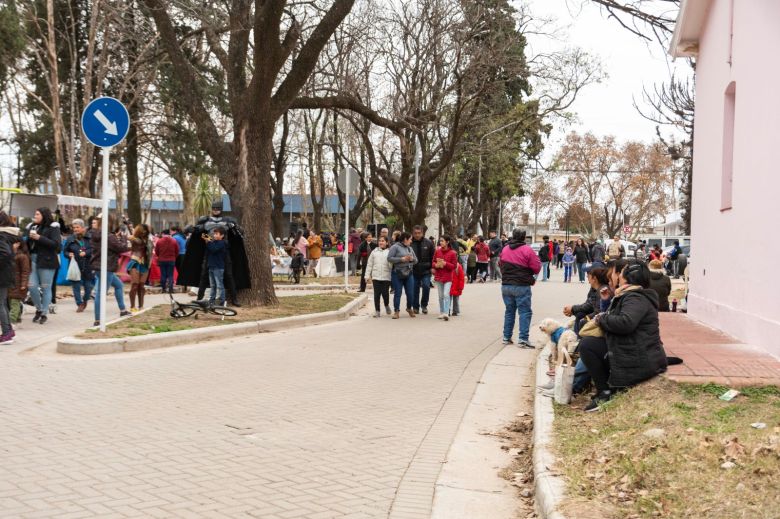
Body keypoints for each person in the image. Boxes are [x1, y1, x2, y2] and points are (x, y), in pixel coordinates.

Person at [579, 262, 668, 412]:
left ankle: (606, 392)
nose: (616, 276)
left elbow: (626, 323)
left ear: (627, 278)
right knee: (590, 344)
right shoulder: (631, 295)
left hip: (638, 356)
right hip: (635, 348)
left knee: (588, 345)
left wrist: (601, 319)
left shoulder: (635, 298)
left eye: (619, 273)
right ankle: (603, 387)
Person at [180, 200, 248, 307]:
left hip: (224, 252)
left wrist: (234, 227)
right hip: (210, 252)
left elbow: (239, 233)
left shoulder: (228, 220)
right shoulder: (205, 221)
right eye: (214, 208)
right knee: (204, 276)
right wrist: (193, 230)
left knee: (229, 275)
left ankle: (234, 299)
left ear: (221, 209)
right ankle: (199, 298)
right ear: (211, 208)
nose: (216, 210)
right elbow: (199, 233)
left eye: (218, 208)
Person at [499, 229, 541, 347]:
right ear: (524, 238)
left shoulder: (505, 248)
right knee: (525, 312)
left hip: (506, 285)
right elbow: (536, 268)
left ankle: (506, 337)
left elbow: (500, 264)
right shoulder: (527, 250)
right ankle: (523, 339)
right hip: (521, 285)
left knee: (509, 311)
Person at [91, 214, 131, 327]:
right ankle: (98, 320)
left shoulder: (96, 234)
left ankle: (123, 310)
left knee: (118, 285)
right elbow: (121, 248)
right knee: (101, 293)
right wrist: (123, 238)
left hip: (99, 266)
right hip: (107, 267)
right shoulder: (109, 236)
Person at [26, 207, 61, 325]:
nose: (35, 216)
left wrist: (39, 238)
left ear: (44, 215)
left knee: (46, 287)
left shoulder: (53, 227)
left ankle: (44, 313)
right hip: (34, 260)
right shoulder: (32, 226)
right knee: (31, 286)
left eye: (37, 214)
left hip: (47, 261)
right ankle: (39, 308)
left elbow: (56, 245)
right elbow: (28, 244)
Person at [63, 219, 95, 312]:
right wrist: (68, 254)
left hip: (87, 265)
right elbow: (65, 251)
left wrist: (86, 253)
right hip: (75, 266)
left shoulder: (89, 238)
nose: (75, 229)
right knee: (76, 286)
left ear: (83, 228)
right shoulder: (70, 239)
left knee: (88, 287)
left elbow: (93, 250)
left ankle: (85, 300)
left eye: (77, 227)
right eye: (74, 227)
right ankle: (79, 303)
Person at [387, 232, 417, 319]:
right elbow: (389, 258)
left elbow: (416, 260)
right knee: (398, 293)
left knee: (410, 293)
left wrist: (411, 259)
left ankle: (409, 308)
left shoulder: (410, 248)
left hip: (409, 273)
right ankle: (396, 311)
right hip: (397, 273)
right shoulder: (395, 247)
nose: (411, 241)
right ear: (405, 239)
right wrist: (401, 259)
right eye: (410, 239)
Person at [0, 213, 19, 343]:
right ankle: (8, 331)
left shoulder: (1, 236)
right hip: (5, 273)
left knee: (0, 304)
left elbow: (5, 254)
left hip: (2, 274)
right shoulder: (6, 235)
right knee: (2, 303)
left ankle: (7, 333)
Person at [127, 224, 153, 312]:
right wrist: (130, 229)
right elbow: (134, 240)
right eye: (144, 230)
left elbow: (149, 251)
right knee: (135, 284)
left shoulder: (149, 241)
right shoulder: (134, 239)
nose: (145, 232)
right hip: (135, 262)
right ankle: (132, 306)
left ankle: (141, 306)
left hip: (145, 264)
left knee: (141, 286)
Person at [364, 235, 392, 317]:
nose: (381, 242)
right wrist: (367, 276)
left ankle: (386, 305)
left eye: (383, 241)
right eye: (380, 241)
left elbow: (392, 265)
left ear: (387, 243)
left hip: (386, 277)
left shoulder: (389, 252)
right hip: (376, 276)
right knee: (377, 294)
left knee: (385, 294)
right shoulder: (374, 252)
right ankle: (377, 311)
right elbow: (369, 264)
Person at [431, 235, 457, 321]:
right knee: (440, 296)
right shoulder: (437, 251)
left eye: (442, 241)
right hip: (439, 276)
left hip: (448, 277)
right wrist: (436, 265)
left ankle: (446, 312)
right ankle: (442, 312)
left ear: (447, 242)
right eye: (440, 241)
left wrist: (445, 263)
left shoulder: (453, 253)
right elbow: (433, 262)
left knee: (446, 294)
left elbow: (454, 266)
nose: (441, 242)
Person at [411, 225, 435, 314]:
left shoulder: (429, 243)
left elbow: (433, 256)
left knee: (426, 286)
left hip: (426, 270)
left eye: (419, 233)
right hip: (413, 270)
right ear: (413, 233)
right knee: (414, 289)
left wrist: (432, 267)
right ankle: (415, 307)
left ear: (422, 233)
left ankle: (424, 305)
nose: (417, 235)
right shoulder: (410, 243)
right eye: (415, 233)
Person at [202, 227, 228, 306]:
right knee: (212, 285)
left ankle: (221, 301)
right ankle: (211, 300)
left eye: (217, 234)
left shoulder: (222, 243)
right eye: (214, 233)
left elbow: (214, 249)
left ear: (222, 235)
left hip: (218, 267)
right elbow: (209, 250)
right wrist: (207, 241)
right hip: (211, 266)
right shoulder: (213, 242)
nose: (214, 235)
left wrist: (208, 242)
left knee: (219, 285)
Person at [8, 237, 30, 325]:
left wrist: (24, 283)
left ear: (18, 244)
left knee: (14, 302)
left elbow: (25, 271)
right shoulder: (9, 254)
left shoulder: (22, 256)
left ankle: (11, 321)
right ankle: (17, 318)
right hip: (10, 283)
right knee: (11, 302)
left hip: (18, 284)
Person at [154, 229, 179, 294]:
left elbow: (156, 251)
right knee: (170, 275)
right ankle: (171, 289)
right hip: (171, 260)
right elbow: (177, 251)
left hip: (162, 260)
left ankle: (163, 289)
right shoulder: (174, 241)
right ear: (169, 234)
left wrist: (160, 256)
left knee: (163, 275)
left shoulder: (159, 241)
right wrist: (174, 257)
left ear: (163, 234)